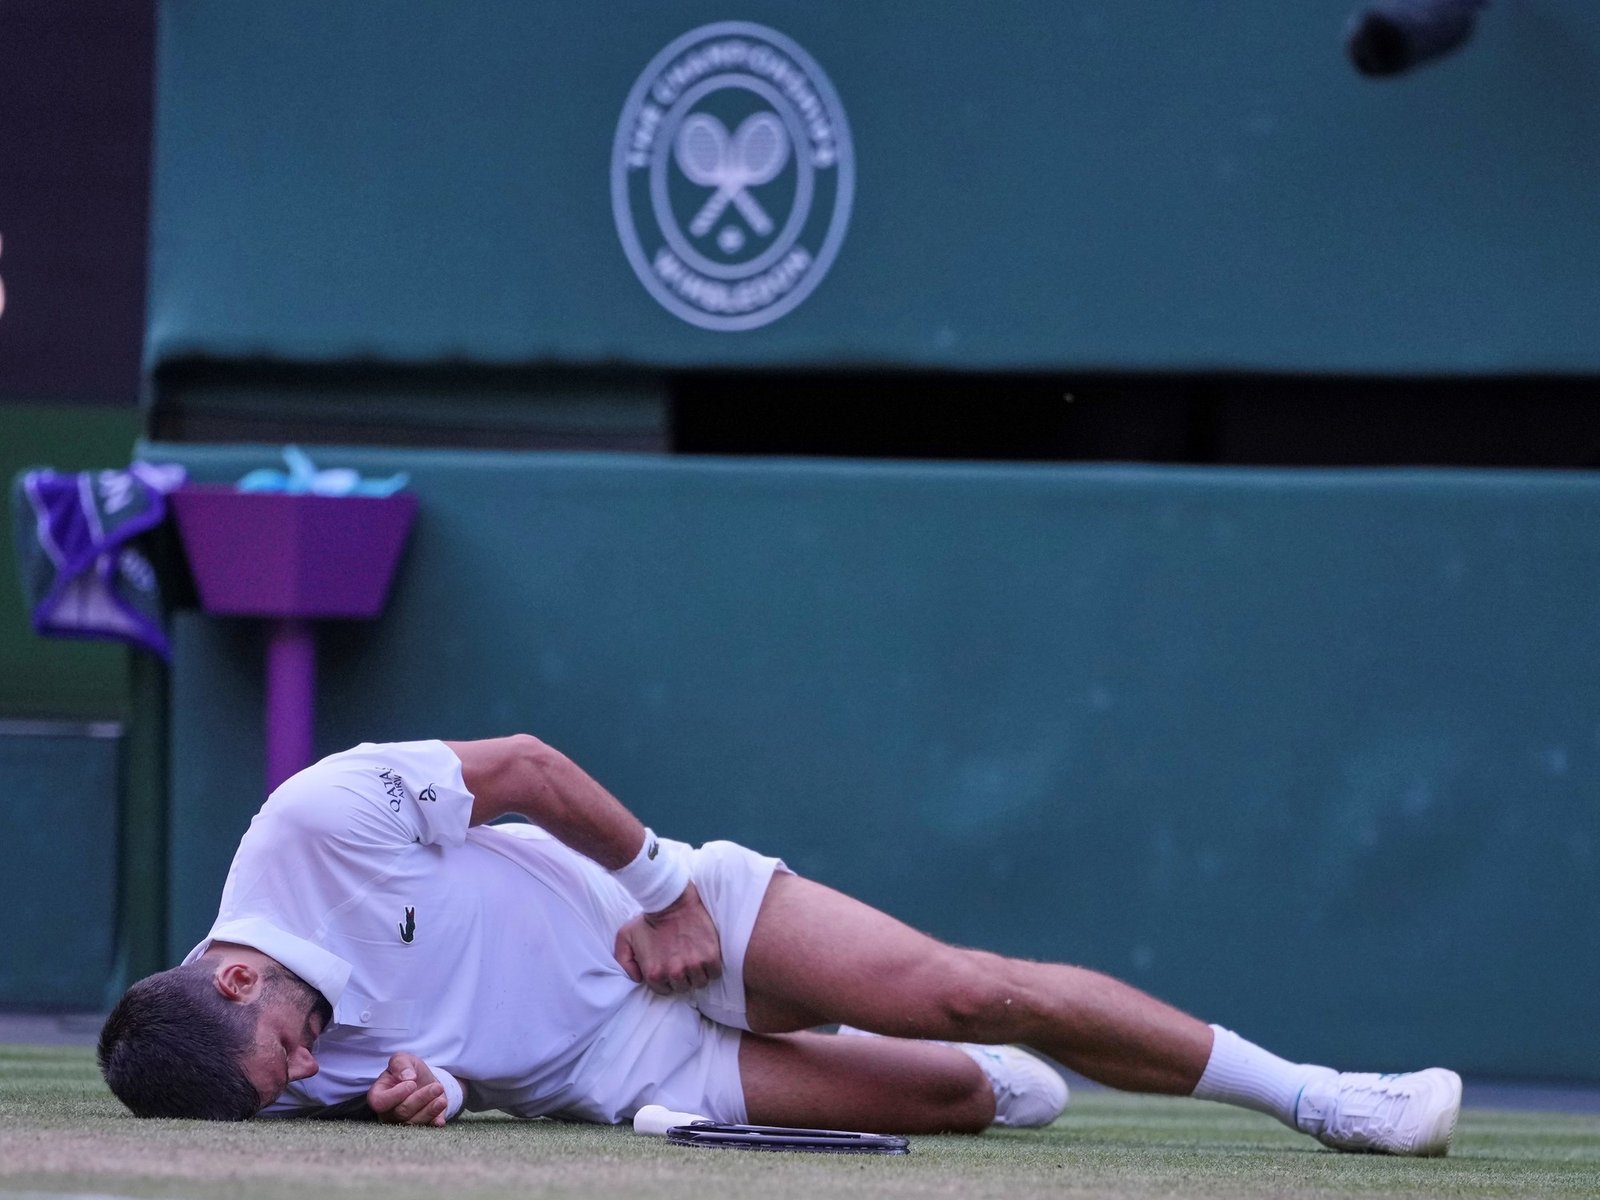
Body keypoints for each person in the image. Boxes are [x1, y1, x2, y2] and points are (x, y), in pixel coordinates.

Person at [99, 736, 1462, 1155]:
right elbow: (439, 1075)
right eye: (290, 1090)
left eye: (287, 1053)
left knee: (970, 990)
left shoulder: (316, 818)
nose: (308, 1076)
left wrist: (659, 889)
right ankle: (948, 1062)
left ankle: (1324, 1097)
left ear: (236, 975)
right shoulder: (256, 1065)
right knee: (964, 1094)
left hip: (671, 926)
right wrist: (432, 1097)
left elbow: (520, 766)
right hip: (617, 1072)